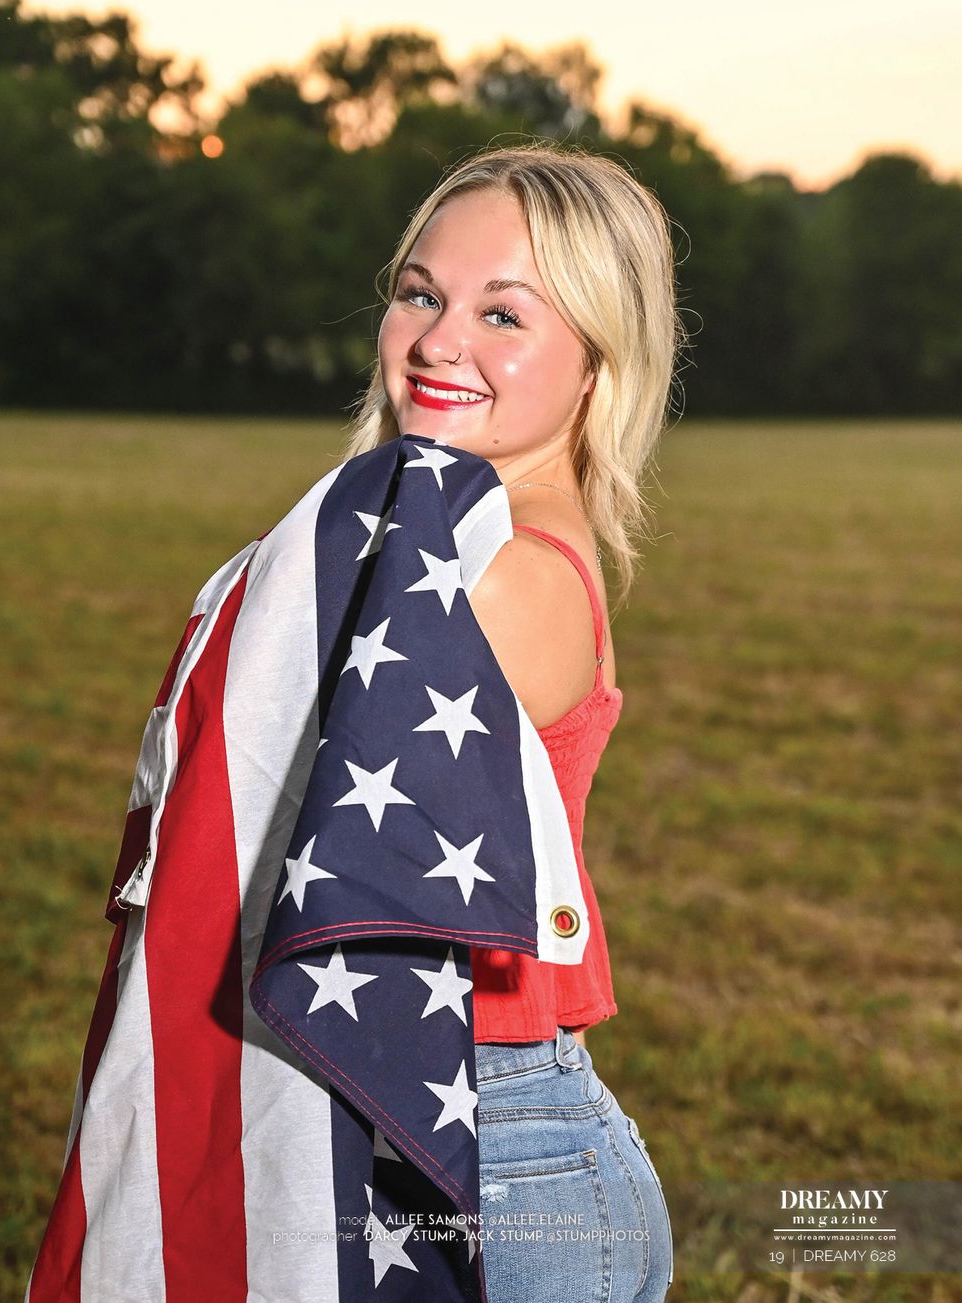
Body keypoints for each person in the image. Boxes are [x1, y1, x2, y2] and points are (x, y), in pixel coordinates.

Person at [344, 143, 682, 1301]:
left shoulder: (509, 573)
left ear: (596, 363)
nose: (438, 342)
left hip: (496, 1153)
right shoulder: (451, 531)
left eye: (503, 315)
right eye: (419, 294)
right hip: (427, 1118)